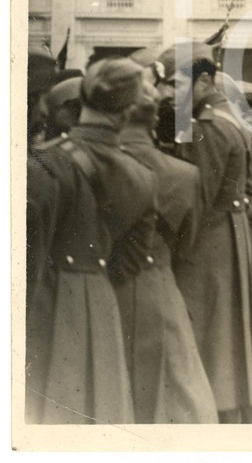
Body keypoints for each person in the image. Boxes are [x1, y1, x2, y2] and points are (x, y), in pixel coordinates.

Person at [26, 58, 156, 424]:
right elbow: (133, 258)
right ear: (129, 111)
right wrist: (90, 279)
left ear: (83, 96)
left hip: (44, 299)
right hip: (101, 302)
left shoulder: (45, 162)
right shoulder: (143, 177)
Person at [155, 41, 252, 423]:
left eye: (176, 84)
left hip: (209, 240)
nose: (169, 94)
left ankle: (214, 417)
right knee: (226, 332)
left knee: (207, 331)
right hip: (229, 234)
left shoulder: (207, 126)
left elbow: (196, 200)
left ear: (202, 81)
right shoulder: (228, 116)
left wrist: (171, 249)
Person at [118, 82, 218, 422]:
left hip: (102, 289)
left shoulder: (88, 163)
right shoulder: (185, 174)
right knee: (177, 398)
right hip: (159, 286)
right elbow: (188, 244)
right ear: (153, 121)